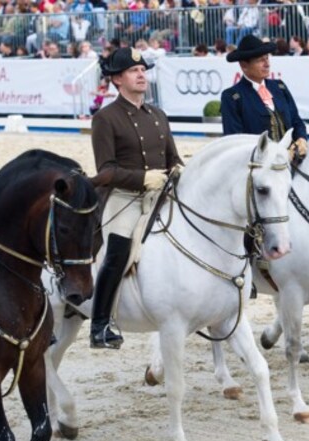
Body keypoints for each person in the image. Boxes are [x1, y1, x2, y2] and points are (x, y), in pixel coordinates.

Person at [89, 47, 182, 349]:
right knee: (118, 252)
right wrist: (142, 178)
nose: (141, 74)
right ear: (117, 79)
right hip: (125, 197)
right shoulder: (106, 118)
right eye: (133, 70)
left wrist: (179, 171)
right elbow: (105, 171)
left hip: (161, 195)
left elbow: (173, 159)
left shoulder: (158, 115)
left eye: (143, 69)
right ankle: (100, 324)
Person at [220, 35, 308, 159]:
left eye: (267, 58)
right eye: (260, 60)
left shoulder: (279, 87)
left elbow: (296, 120)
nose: (267, 64)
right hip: (262, 167)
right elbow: (235, 142)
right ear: (244, 65)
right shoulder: (233, 97)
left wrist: (301, 138)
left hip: (293, 160)